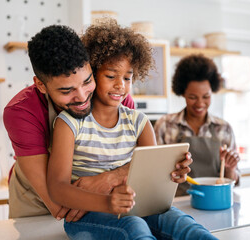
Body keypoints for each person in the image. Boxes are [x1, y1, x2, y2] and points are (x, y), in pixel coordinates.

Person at [47, 20, 218, 240]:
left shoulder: (140, 122)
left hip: (138, 207)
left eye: (127, 77)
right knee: (134, 228)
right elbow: (57, 188)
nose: (120, 85)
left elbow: (153, 180)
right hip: (88, 216)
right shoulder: (69, 123)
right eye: (111, 76)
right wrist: (108, 203)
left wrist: (173, 174)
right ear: (91, 73)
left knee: (187, 226)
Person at [3, 24, 192, 222]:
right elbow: (59, 206)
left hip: (101, 205)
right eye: (67, 91)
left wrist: (113, 178)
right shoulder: (21, 112)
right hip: (37, 206)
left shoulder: (116, 100)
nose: (83, 97)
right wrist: (112, 191)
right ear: (41, 85)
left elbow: (138, 164)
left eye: (87, 82)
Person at [154, 54, 241, 196]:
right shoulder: (165, 125)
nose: (200, 104)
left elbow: (233, 182)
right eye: (193, 97)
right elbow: (155, 174)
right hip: (176, 205)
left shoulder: (224, 129)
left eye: (206, 97)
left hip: (213, 201)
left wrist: (231, 168)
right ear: (182, 93)